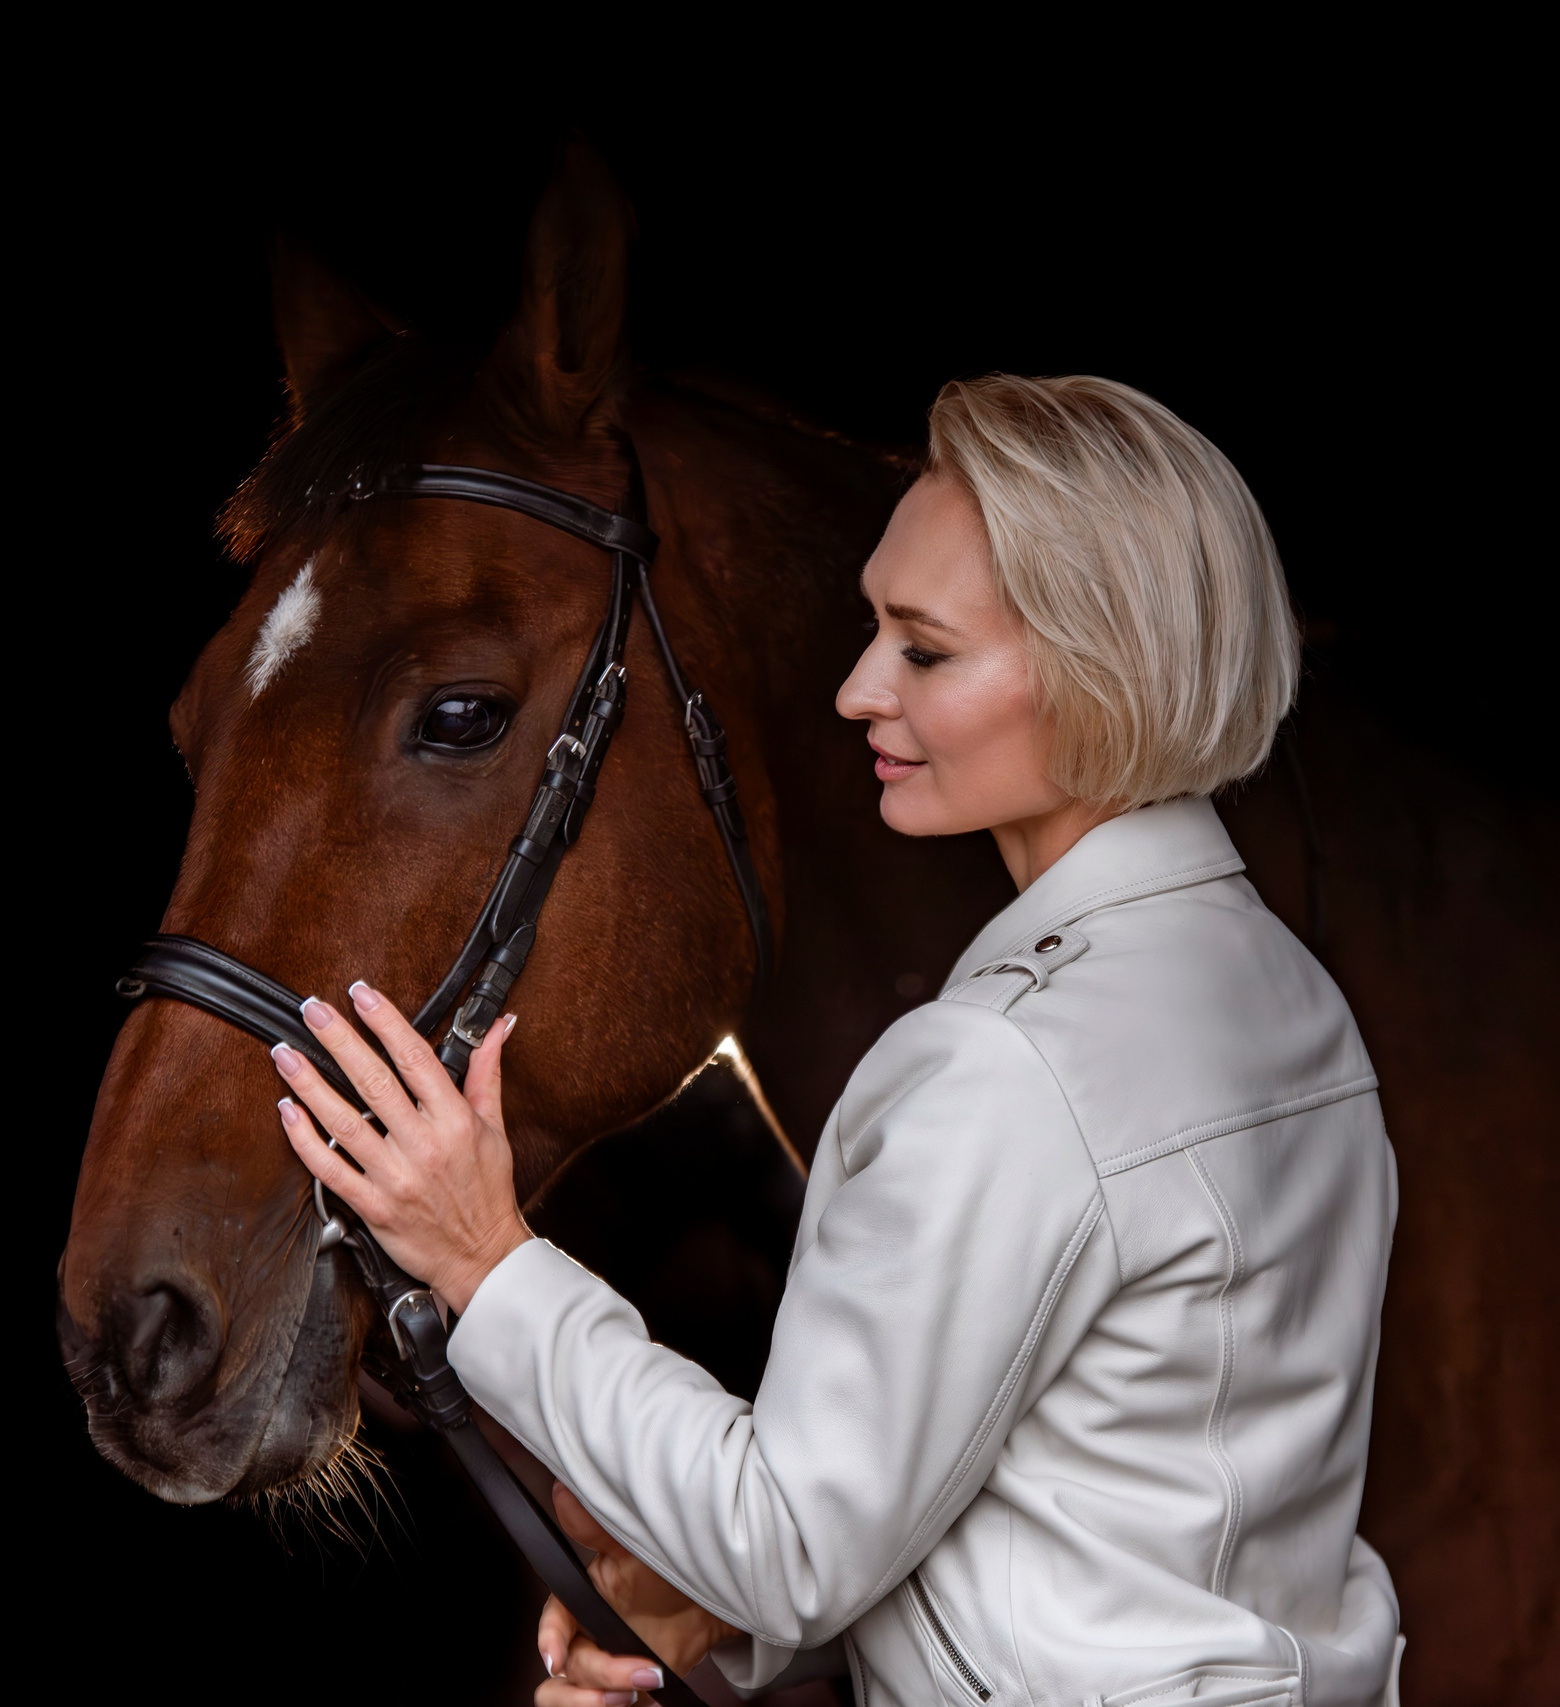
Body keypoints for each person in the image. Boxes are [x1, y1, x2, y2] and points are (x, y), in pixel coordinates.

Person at [271, 374, 1405, 1706]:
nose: (860, 690)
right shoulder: (1287, 995)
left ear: (1105, 671)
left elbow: (790, 1540)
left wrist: (486, 1260)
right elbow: (1108, 1514)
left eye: (924, 651)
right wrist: (713, 1619)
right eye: (876, 629)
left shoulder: (1008, 1068)